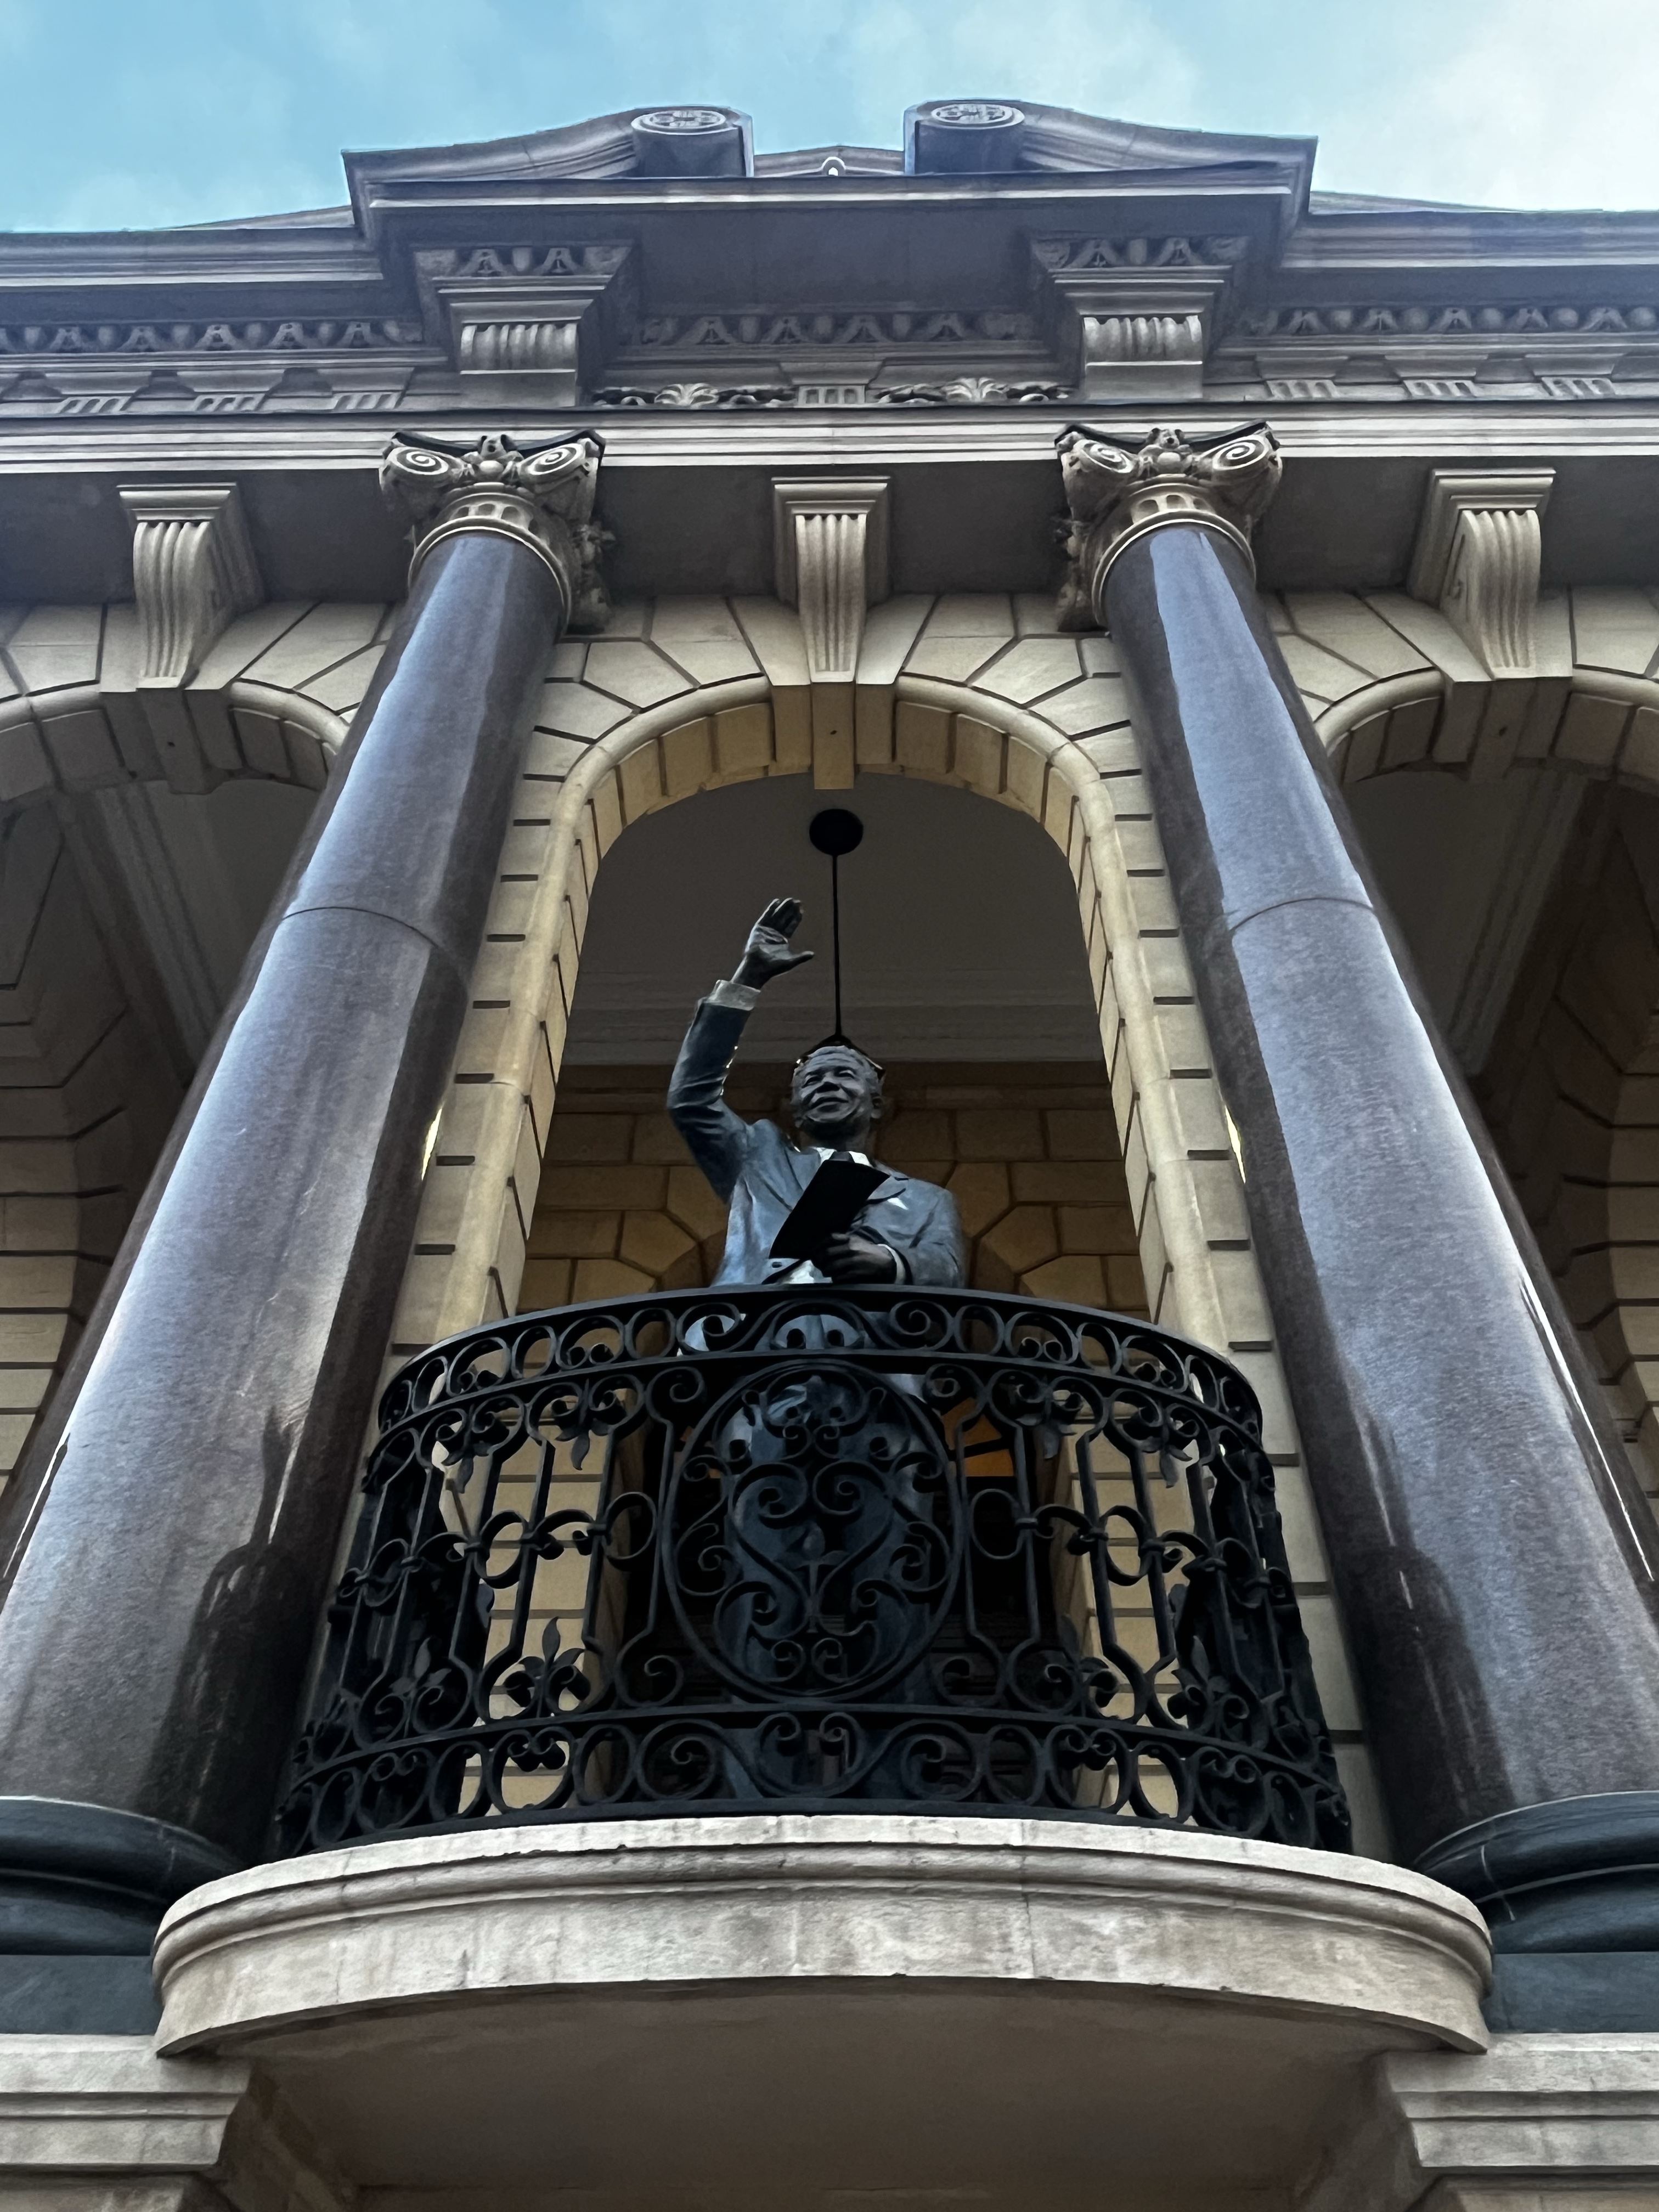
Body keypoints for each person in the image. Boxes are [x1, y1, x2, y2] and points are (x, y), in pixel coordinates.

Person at [668, 897, 966, 1288]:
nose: (826, 1083)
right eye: (811, 1080)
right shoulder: (757, 1157)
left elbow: (949, 1271)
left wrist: (890, 1262)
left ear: (877, 1105)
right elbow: (690, 1099)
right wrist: (749, 977)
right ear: (796, 1111)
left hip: (864, 1329)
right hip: (752, 1326)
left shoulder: (927, 1200)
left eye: (844, 1074)